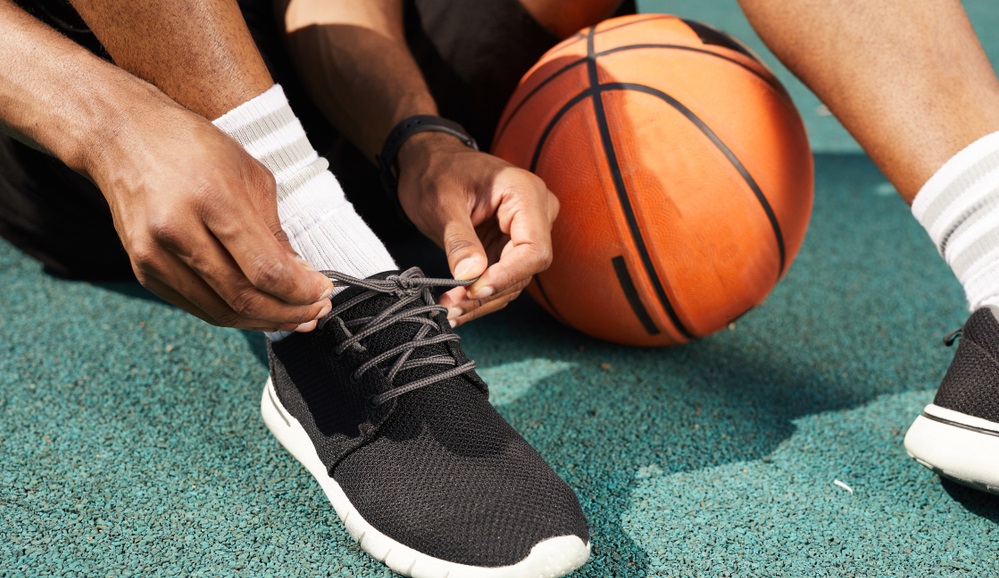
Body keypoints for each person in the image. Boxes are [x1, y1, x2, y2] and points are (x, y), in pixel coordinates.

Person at [1, 0, 998, 577]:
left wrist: (420, 138)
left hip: (357, 96)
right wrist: (102, 116)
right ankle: (323, 277)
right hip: (86, 115)